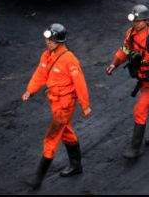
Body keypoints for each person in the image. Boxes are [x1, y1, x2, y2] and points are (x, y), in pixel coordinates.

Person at [22, 24, 91, 190]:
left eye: (52, 40)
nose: (48, 43)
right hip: (54, 101)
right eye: (47, 39)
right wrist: (30, 91)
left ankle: (37, 178)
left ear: (60, 41)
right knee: (66, 132)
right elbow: (40, 74)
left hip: (65, 104)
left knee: (51, 138)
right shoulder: (46, 56)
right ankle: (76, 166)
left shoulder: (69, 59)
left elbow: (79, 83)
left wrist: (85, 105)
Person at [106, 5, 149, 160]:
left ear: (146, 21)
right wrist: (114, 63)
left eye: (139, 21)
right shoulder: (130, 34)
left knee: (140, 109)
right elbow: (124, 51)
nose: (136, 24)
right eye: (134, 20)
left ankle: (134, 148)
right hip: (143, 78)